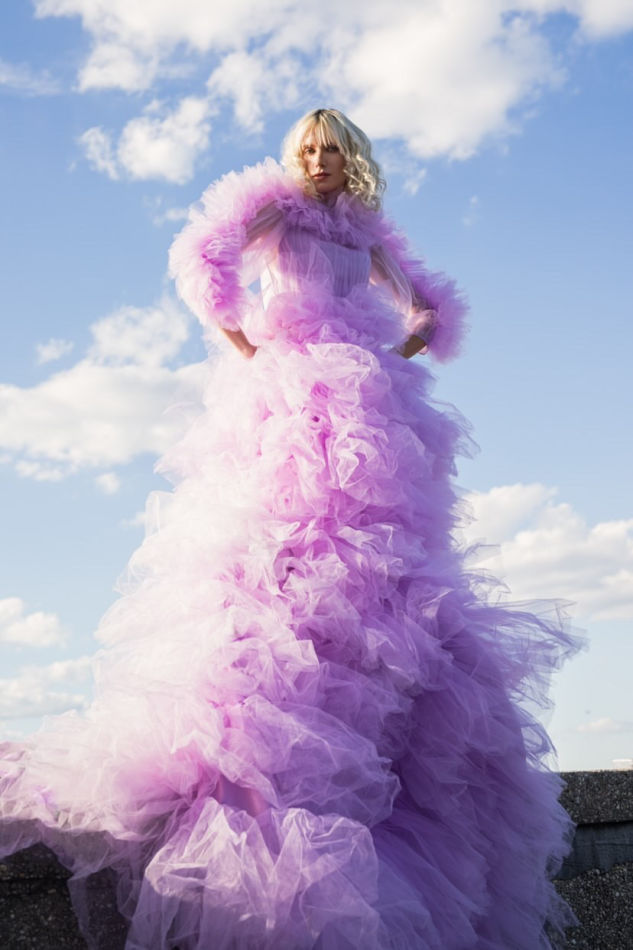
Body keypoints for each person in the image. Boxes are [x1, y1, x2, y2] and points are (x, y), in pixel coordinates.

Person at [0, 108, 579, 949]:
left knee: (369, 543)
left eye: (330, 149)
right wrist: (246, 344)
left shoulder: (367, 234)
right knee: (280, 530)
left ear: (352, 158)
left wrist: (392, 356)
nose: (317, 159)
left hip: (366, 397)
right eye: (307, 148)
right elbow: (203, 255)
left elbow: (429, 313)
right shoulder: (276, 211)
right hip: (290, 387)